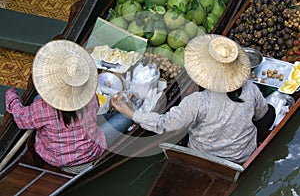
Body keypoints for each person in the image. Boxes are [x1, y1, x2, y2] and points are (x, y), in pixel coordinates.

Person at [111, 34, 276, 164]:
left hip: (203, 154)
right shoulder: (250, 89)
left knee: (183, 125)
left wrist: (132, 114)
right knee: (270, 113)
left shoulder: (197, 101)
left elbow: (164, 124)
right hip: (240, 155)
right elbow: (262, 115)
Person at [5, 40, 132, 174]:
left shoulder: (43, 107)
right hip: (89, 152)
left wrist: (11, 95)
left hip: (58, 160)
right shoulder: (90, 97)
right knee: (126, 116)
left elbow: (21, 119)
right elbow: (93, 112)